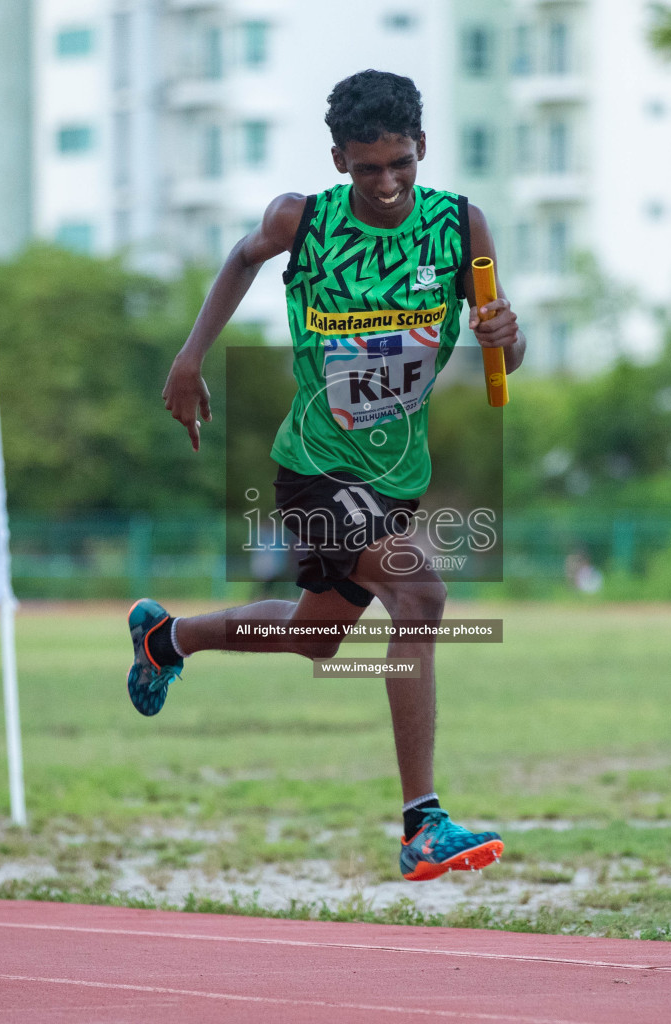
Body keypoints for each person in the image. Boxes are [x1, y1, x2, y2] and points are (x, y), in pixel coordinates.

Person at [128, 70, 525, 881]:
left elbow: (503, 354)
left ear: (423, 150)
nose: (386, 184)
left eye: (401, 165)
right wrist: (190, 357)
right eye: (368, 167)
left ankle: (166, 638)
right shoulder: (302, 221)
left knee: (315, 635)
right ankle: (423, 824)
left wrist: (504, 334)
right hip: (315, 466)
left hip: (396, 474)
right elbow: (242, 261)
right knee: (421, 594)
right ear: (340, 158)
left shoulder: (460, 227)